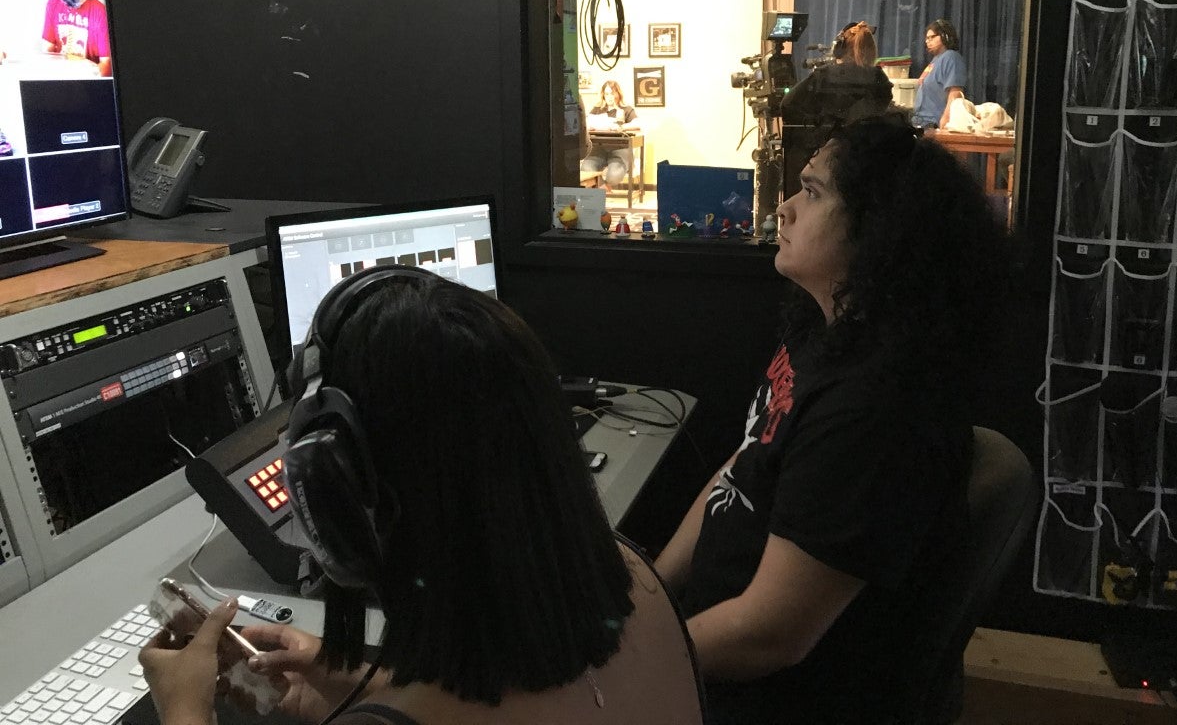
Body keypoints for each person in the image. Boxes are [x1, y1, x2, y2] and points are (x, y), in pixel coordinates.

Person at [140, 268, 705, 725]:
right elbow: (500, 694)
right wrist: (359, 690)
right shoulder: (632, 572)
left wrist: (185, 710)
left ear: (336, 489)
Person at [654, 114, 1012, 725]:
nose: (785, 210)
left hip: (764, 694)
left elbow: (771, 635)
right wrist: (654, 588)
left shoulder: (874, 407)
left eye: (813, 192)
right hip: (705, 647)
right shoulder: (823, 334)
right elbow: (741, 469)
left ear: (877, 230)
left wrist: (637, 663)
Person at [780, 21, 894, 127]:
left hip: (829, 145)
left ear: (839, 49)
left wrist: (816, 125)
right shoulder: (880, 78)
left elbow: (787, 105)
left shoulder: (823, 75)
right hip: (871, 147)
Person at [41, 0, 112, 77]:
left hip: (87, 83)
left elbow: (106, 65)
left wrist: (90, 73)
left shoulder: (100, 12)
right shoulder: (52, 4)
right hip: (59, 79)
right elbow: (47, 51)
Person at [582, 80, 641, 189]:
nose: (610, 97)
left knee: (614, 174)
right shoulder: (597, 110)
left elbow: (637, 124)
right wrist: (589, 126)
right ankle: (597, 193)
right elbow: (586, 122)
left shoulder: (626, 110)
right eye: (607, 94)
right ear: (603, 95)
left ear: (618, 94)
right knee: (586, 168)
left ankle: (604, 189)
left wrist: (621, 127)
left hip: (620, 148)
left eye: (612, 93)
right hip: (598, 148)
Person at [912, 19, 967, 130]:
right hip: (921, 124)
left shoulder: (951, 57)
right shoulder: (934, 61)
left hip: (935, 125)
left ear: (945, 36)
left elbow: (955, 93)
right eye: (927, 38)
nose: (928, 41)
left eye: (932, 37)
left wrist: (945, 120)